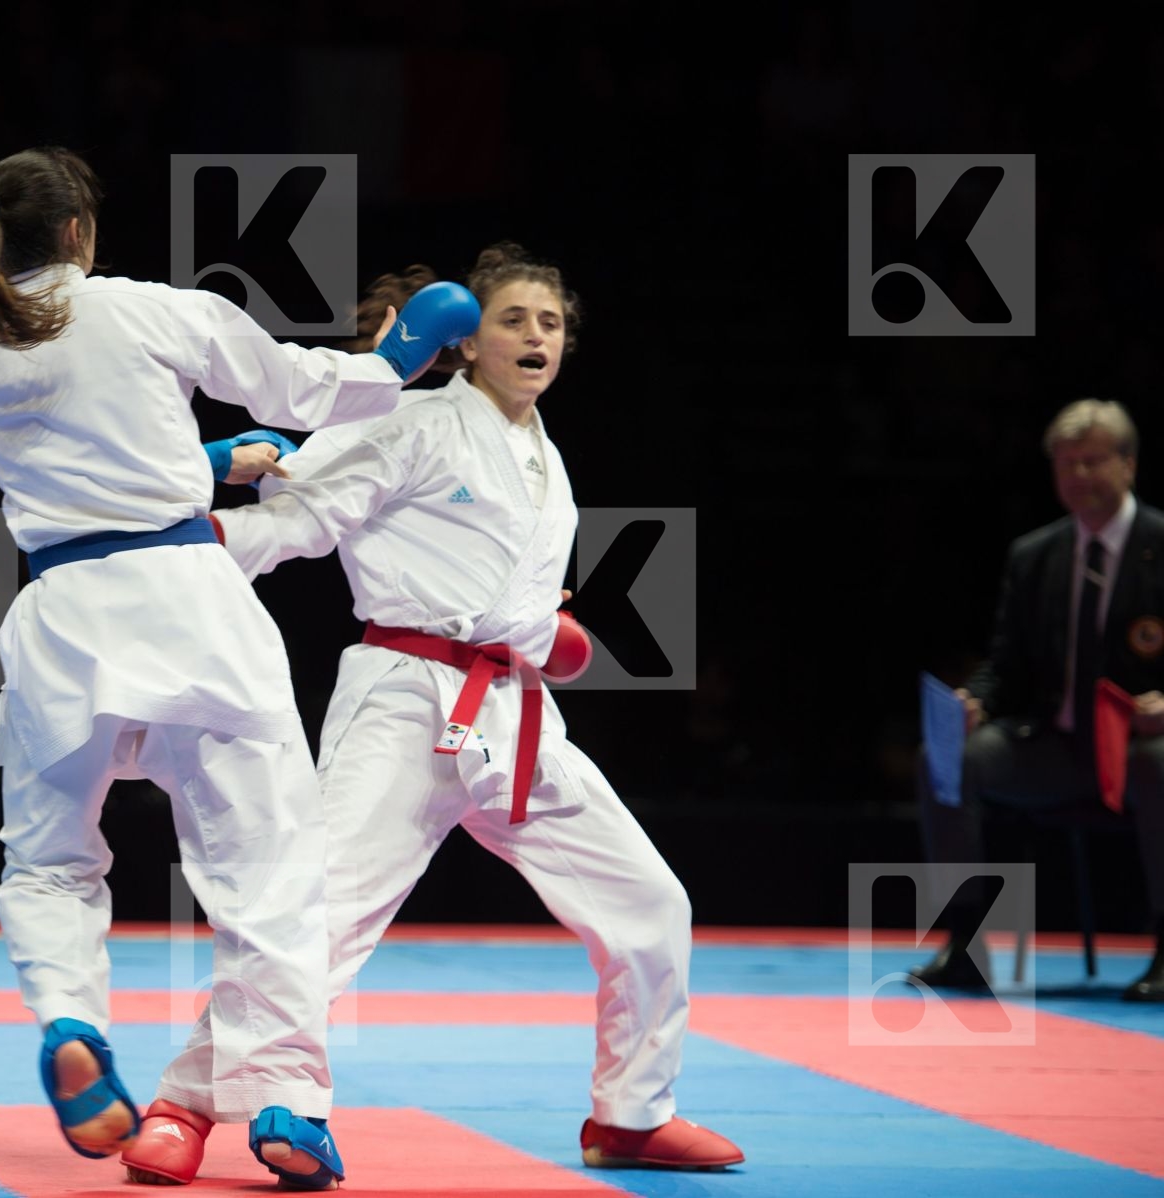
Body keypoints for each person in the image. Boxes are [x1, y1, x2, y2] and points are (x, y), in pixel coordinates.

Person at [121, 244, 744, 1182]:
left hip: (512, 714)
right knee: (319, 919)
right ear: (466, 342)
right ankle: (185, 1106)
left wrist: (548, 636)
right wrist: (193, 538)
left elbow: (506, 594)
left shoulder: (545, 460)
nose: (537, 336)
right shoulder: (412, 422)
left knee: (650, 904)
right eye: (514, 319)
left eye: (551, 323)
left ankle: (632, 1115)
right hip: (407, 700)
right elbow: (303, 519)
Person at [0, 146, 478, 1187]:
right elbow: (303, 386)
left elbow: (88, 476)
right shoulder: (146, 307)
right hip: (185, 604)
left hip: (61, 614)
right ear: (77, 231)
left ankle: (70, 1019)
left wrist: (202, 464)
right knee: (267, 864)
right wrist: (396, 361)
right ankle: (285, 1101)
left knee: (50, 858)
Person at [914, 398, 1164, 1002]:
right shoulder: (1035, 555)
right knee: (948, 757)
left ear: (1128, 464)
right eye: (1066, 463)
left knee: (1160, 766)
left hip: (1140, 750)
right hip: (1055, 747)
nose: (1078, 475)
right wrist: (976, 701)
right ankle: (966, 945)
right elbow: (1007, 665)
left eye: (1092, 461)